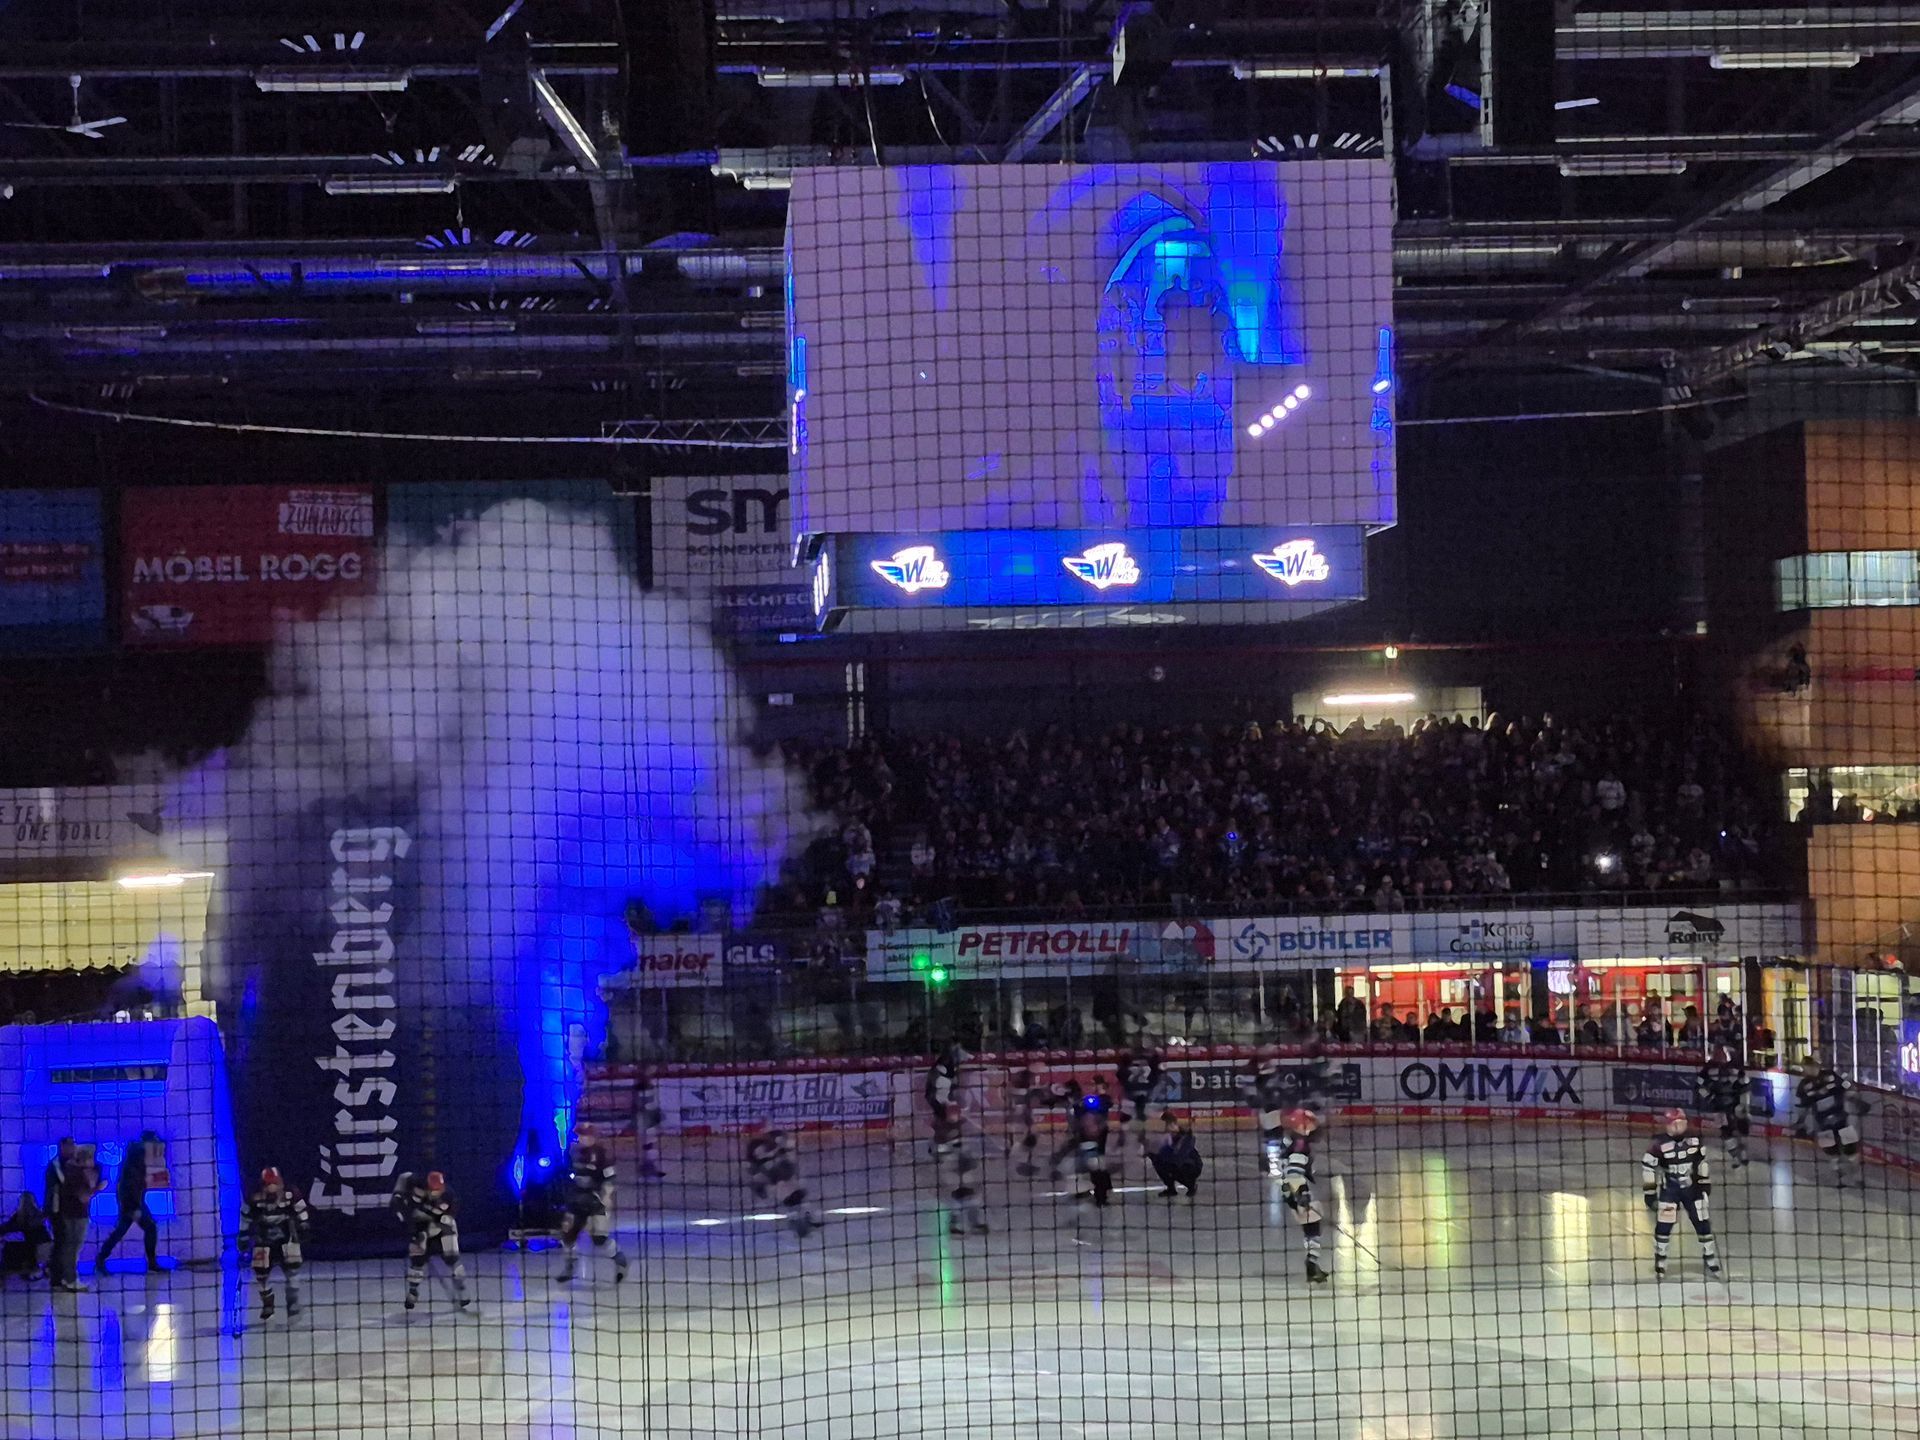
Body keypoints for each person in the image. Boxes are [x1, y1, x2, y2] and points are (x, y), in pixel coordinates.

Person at [1641, 1109, 1721, 1279]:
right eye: (1674, 1123)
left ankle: (1709, 1257)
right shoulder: (1658, 1144)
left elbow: (1701, 1162)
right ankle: (1660, 1260)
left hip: (1693, 1190)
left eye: (1681, 1122)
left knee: (1702, 1222)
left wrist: (1704, 1184)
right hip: (1670, 1191)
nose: (1678, 1126)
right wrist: (1650, 1193)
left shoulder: (1695, 1140)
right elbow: (1648, 1167)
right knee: (1664, 1225)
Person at [554, 1124, 629, 1284]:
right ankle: (570, 1266)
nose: (583, 1138)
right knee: (567, 1234)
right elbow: (566, 1174)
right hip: (576, 1200)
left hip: (595, 1201)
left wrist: (606, 1196)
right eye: (580, 1135)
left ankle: (620, 1260)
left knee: (599, 1238)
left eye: (586, 1135)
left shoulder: (602, 1154)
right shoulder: (573, 1152)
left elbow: (610, 1178)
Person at [391, 1170, 471, 1312]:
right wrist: (414, 1229)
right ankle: (413, 1291)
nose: (435, 1193)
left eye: (438, 1190)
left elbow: (447, 1220)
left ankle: (461, 1287)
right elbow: (403, 1183)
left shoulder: (448, 1197)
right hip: (421, 1227)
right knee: (417, 1258)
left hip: (442, 1227)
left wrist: (433, 1223)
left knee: (452, 1257)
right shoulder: (416, 1188)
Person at [240, 1167, 310, 1321]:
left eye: (274, 1183)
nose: (271, 1187)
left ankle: (292, 1303)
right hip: (263, 1240)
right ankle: (267, 1303)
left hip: (287, 1237)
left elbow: (301, 1209)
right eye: (268, 1184)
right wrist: (243, 1235)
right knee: (261, 1273)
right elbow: (245, 1216)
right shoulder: (254, 1197)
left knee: (292, 1270)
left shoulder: (291, 1194)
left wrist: (304, 1224)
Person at [95, 1130, 166, 1274]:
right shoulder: (138, 1157)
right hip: (132, 1201)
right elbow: (131, 1184)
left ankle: (101, 1260)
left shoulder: (135, 1156)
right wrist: (134, 1206)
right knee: (147, 1228)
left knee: (122, 1230)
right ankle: (152, 1264)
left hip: (132, 1200)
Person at [1278, 1108, 1329, 1285]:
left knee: (1310, 1227)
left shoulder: (1288, 1140)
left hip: (1289, 1191)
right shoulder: (1300, 1144)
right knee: (1313, 1227)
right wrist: (1302, 1193)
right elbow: (1294, 1171)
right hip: (1299, 1189)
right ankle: (1312, 1264)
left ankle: (1312, 1264)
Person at [43, 1137, 101, 1293]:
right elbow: (69, 1188)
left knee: (66, 1245)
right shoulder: (61, 1166)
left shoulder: (78, 1168)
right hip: (61, 1211)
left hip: (71, 1210)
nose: (72, 1148)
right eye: (69, 1146)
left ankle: (61, 1277)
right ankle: (64, 1278)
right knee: (66, 1245)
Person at [1796, 1057, 1865, 1186]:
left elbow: (1846, 1086)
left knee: (1852, 1151)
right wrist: (1800, 1123)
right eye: (1804, 1068)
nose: (1806, 1070)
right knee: (1832, 1154)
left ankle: (1857, 1178)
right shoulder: (1804, 1085)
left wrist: (1855, 1096)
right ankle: (1840, 1180)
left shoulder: (1830, 1075)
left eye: (1807, 1067)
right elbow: (1803, 1106)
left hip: (1842, 1120)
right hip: (1822, 1124)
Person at [745, 1129, 824, 1239]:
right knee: (784, 1188)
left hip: (780, 1178)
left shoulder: (780, 1156)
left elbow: (789, 1163)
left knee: (794, 1188)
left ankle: (803, 1216)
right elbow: (759, 1181)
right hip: (768, 1184)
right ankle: (796, 1219)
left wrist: (784, 1148)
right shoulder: (758, 1165)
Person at [1696, 1046, 1752, 1169]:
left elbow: (1699, 1085)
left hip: (1725, 1106)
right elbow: (1746, 1085)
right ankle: (1740, 1156)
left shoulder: (1709, 1069)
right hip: (1725, 1106)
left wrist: (1710, 1098)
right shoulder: (1732, 1067)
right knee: (1732, 1132)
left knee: (1732, 1132)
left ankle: (1739, 1157)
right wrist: (1744, 1104)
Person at [1241, 1053, 1292, 1176]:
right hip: (1268, 1109)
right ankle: (1272, 1165)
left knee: (1274, 1136)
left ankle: (1270, 1164)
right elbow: (1253, 1096)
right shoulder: (1259, 1075)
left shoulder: (1265, 1074)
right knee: (1273, 1136)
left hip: (1270, 1109)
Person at [1067, 1089, 1114, 1211]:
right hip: (1088, 1146)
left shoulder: (1100, 1122)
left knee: (1097, 1169)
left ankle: (1101, 1196)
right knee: (1089, 1168)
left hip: (1095, 1148)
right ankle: (1091, 1192)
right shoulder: (1081, 1118)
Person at [1115, 1048, 1168, 1157]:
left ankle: (1128, 1143)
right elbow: (1159, 1074)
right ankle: (1140, 1145)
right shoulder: (1151, 1064)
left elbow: (1120, 1076)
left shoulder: (1126, 1067)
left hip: (1133, 1096)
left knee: (1128, 1119)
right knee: (1137, 1120)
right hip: (1143, 1096)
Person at [1150, 1111, 1202, 1199]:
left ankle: (1191, 1186)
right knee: (1157, 1160)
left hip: (1192, 1165)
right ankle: (1171, 1189)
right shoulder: (1168, 1136)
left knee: (1175, 1164)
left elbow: (1180, 1153)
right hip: (1180, 1161)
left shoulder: (1183, 1136)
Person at [0, 1193, 51, 1283]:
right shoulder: (39, 1215)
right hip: (47, 1248)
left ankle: (11, 1272)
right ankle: (40, 1269)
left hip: (33, 1250)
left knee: (9, 1247)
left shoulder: (20, 1217)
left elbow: (7, 1228)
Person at [925, 1044, 969, 1135]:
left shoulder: (949, 1071)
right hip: (938, 1099)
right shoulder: (939, 1072)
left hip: (942, 1100)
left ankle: (948, 1127)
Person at [632, 1066, 665, 1181]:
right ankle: (647, 1169)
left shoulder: (651, 1087)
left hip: (650, 1118)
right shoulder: (638, 1089)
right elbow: (637, 1105)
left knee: (650, 1144)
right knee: (648, 1145)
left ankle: (648, 1167)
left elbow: (653, 1103)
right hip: (644, 1119)